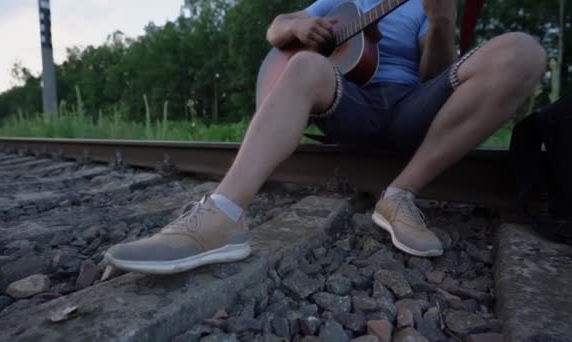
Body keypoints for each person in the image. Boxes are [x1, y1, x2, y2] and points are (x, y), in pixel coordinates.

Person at [105, 0, 546, 273]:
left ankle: (400, 196)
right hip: (350, 103)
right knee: (304, 64)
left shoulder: (425, 5)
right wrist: (298, 27)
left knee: (524, 51)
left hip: (413, 107)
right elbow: (276, 27)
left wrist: (443, 22)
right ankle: (223, 215)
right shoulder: (344, 1)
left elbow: (435, 75)